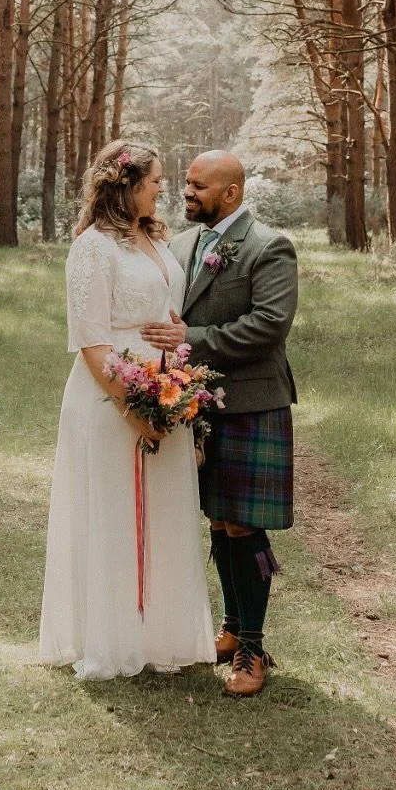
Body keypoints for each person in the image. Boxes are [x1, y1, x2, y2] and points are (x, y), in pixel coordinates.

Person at [39, 139, 215, 679]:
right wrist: (132, 405)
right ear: (128, 183)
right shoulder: (93, 247)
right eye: (157, 180)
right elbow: (91, 340)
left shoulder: (154, 239)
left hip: (168, 385)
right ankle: (113, 639)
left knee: (163, 509)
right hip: (113, 389)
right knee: (115, 511)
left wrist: (175, 388)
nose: (166, 188)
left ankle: (162, 634)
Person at [142, 150, 298, 698]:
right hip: (199, 404)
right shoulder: (182, 246)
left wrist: (192, 341)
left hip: (253, 402)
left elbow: (268, 326)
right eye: (184, 182)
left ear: (231, 193)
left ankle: (254, 647)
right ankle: (231, 629)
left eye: (197, 185)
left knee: (244, 524)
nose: (186, 191)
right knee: (216, 520)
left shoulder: (268, 247)